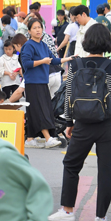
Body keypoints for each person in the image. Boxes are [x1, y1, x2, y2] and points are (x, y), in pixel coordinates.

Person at [48, 24, 111, 221]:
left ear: (86, 41)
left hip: (83, 123)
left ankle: (67, 210)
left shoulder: (75, 65)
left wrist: (69, 122)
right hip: (108, 123)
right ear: (107, 43)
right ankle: (101, 218)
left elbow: (69, 96)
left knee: (72, 164)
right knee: (106, 169)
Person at [21, 17, 72, 149]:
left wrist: (69, 58)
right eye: (34, 28)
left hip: (42, 82)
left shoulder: (43, 45)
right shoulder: (28, 45)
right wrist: (42, 61)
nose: (38, 30)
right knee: (41, 110)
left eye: (39, 27)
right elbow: (26, 64)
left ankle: (30, 138)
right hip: (33, 82)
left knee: (35, 110)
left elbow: (53, 60)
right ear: (29, 31)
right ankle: (48, 138)